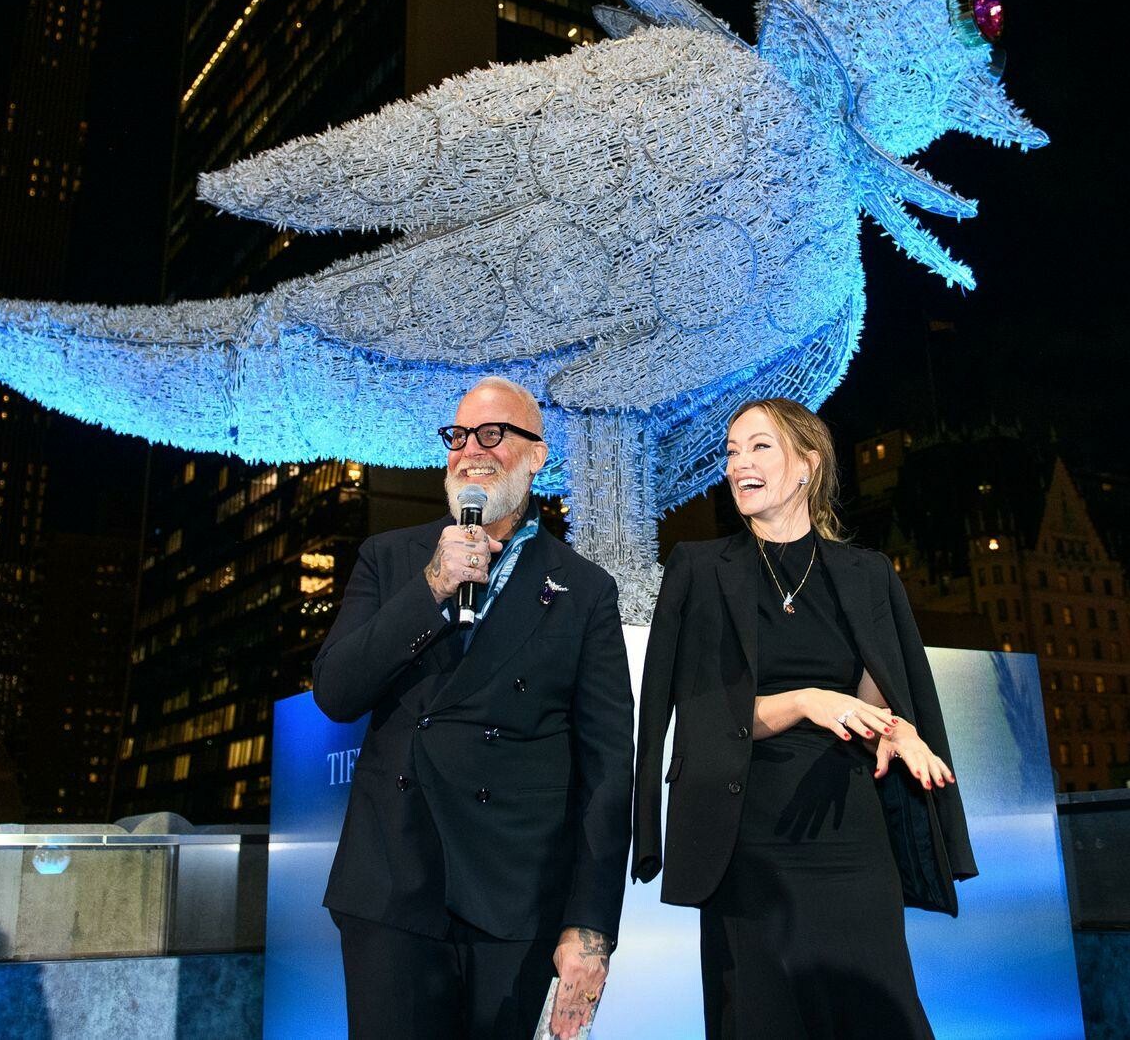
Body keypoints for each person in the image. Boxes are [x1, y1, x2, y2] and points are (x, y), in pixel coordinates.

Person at [634, 397, 976, 1039]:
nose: (738, 464)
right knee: (760, 1018)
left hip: (852, 836)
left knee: (878, 1019)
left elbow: (879, 697)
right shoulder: (699, 569)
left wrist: (896, 729)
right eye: (732, 451)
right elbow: (700, 715)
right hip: (745, 839)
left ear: (806, 466)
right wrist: (805, 700)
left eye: (759, 447)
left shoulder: (867, 573)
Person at [314, 376, 633, 1040]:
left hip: (515, 900)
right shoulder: (391, 558)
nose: (470, 451)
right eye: (458, 436)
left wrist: (590, 926)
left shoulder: (584, 590)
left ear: (537, 454)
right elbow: (336, 691)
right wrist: (433, 585)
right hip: (392, 890)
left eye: (492, 434)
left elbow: (607, 770)